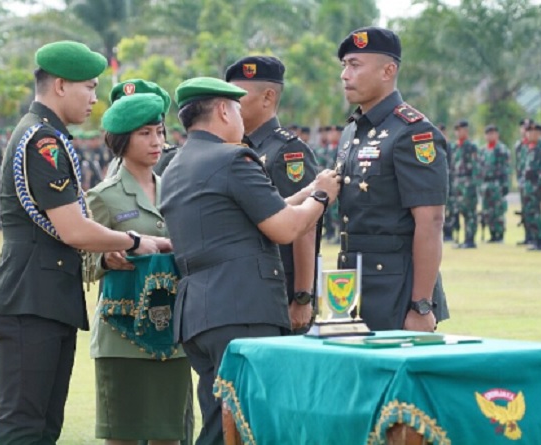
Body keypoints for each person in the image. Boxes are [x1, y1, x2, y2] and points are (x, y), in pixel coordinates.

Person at [0, 40, 167, 445]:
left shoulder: (47, 135)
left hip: (44, 299)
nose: (95, 99)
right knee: (24, 428)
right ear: (60, 85)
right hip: (30, 299)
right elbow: (74, 229)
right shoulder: (41, 141)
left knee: (43, 427)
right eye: (90, 87)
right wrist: (136, 241)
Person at [160, 76, 341, 445]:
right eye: (238, 110)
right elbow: (285, 228)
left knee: (219, 422)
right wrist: (322, 197)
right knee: (248, 425)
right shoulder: (232, 157)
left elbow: (251, 215)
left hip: (201, 312)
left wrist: (306, 191)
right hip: (240, 309)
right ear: (224, 110)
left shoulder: (177, 165)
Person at [85, 93, 190, 445]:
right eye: (145, 133)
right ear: (122, 139)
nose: (157, 142)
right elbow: (83, 261)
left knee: (169, 436)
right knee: (124, 436)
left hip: (172, 332)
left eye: (159, 132)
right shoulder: (104, 196)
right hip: (123, 332)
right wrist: (105, 258)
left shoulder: (176, 190)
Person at [335, 26, 449, 332]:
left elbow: (431, 221)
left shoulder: (413, 132)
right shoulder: (352, 131)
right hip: (349, 286)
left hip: (396, 292)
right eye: (344, 65)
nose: (345, 75)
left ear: (388, 70)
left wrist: (421, 305)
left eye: (355, 65)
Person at [225, 55, 320, 331]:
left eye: (237, 98)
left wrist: (302, 296)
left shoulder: (288, 152)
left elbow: (305, 223)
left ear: (267, 97)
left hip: (282, 286)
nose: (230, 107)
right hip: (249, 282)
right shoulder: (240, 147)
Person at [521, 122, 541, 251]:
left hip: (539, 186)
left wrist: (539, 182)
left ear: (539, 133)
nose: (531, 134)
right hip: (529, 186)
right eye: (528, 131)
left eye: (534, 132)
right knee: (531, 213)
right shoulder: (528, 149)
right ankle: (535, 238)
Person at [478, 124, 510, 242]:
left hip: (497, 183)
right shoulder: (483, 150)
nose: (490, 136)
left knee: (498, 210)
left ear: (497, 135)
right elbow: (480, 168)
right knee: (487, 210)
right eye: (488, 133)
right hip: (486, 183)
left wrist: (505, 185)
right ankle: (492, 234)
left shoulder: (501, 150)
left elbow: (506, 169)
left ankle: (499, 234)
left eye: (492, 133)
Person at [452, 120, 480, 248]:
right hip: (458, 183)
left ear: (466, 131)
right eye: (457, 130)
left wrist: (475, 185)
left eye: (461, 130)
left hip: (469, 183)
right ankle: (462, 238)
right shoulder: (455, 147)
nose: (458, 132)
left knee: (470, 212)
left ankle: (470, 239)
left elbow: (476, 167)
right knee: (461, 211)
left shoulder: (471, 147)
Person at [514, 118, 534, 245]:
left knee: (533, 209)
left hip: (532, 183)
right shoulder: (519, 145)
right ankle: (527, 236)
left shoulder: (533, 145)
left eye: (527, 128)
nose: (525, 131)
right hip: (522, 182)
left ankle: (534, 236)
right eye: (523, 128)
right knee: (525, 210)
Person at [439, 123, 459, 242]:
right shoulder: (436, 147)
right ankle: (444, 233)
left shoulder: (450, 147)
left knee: (451, 210)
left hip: (451, 183)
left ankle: (449, 233)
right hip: (440, 184)